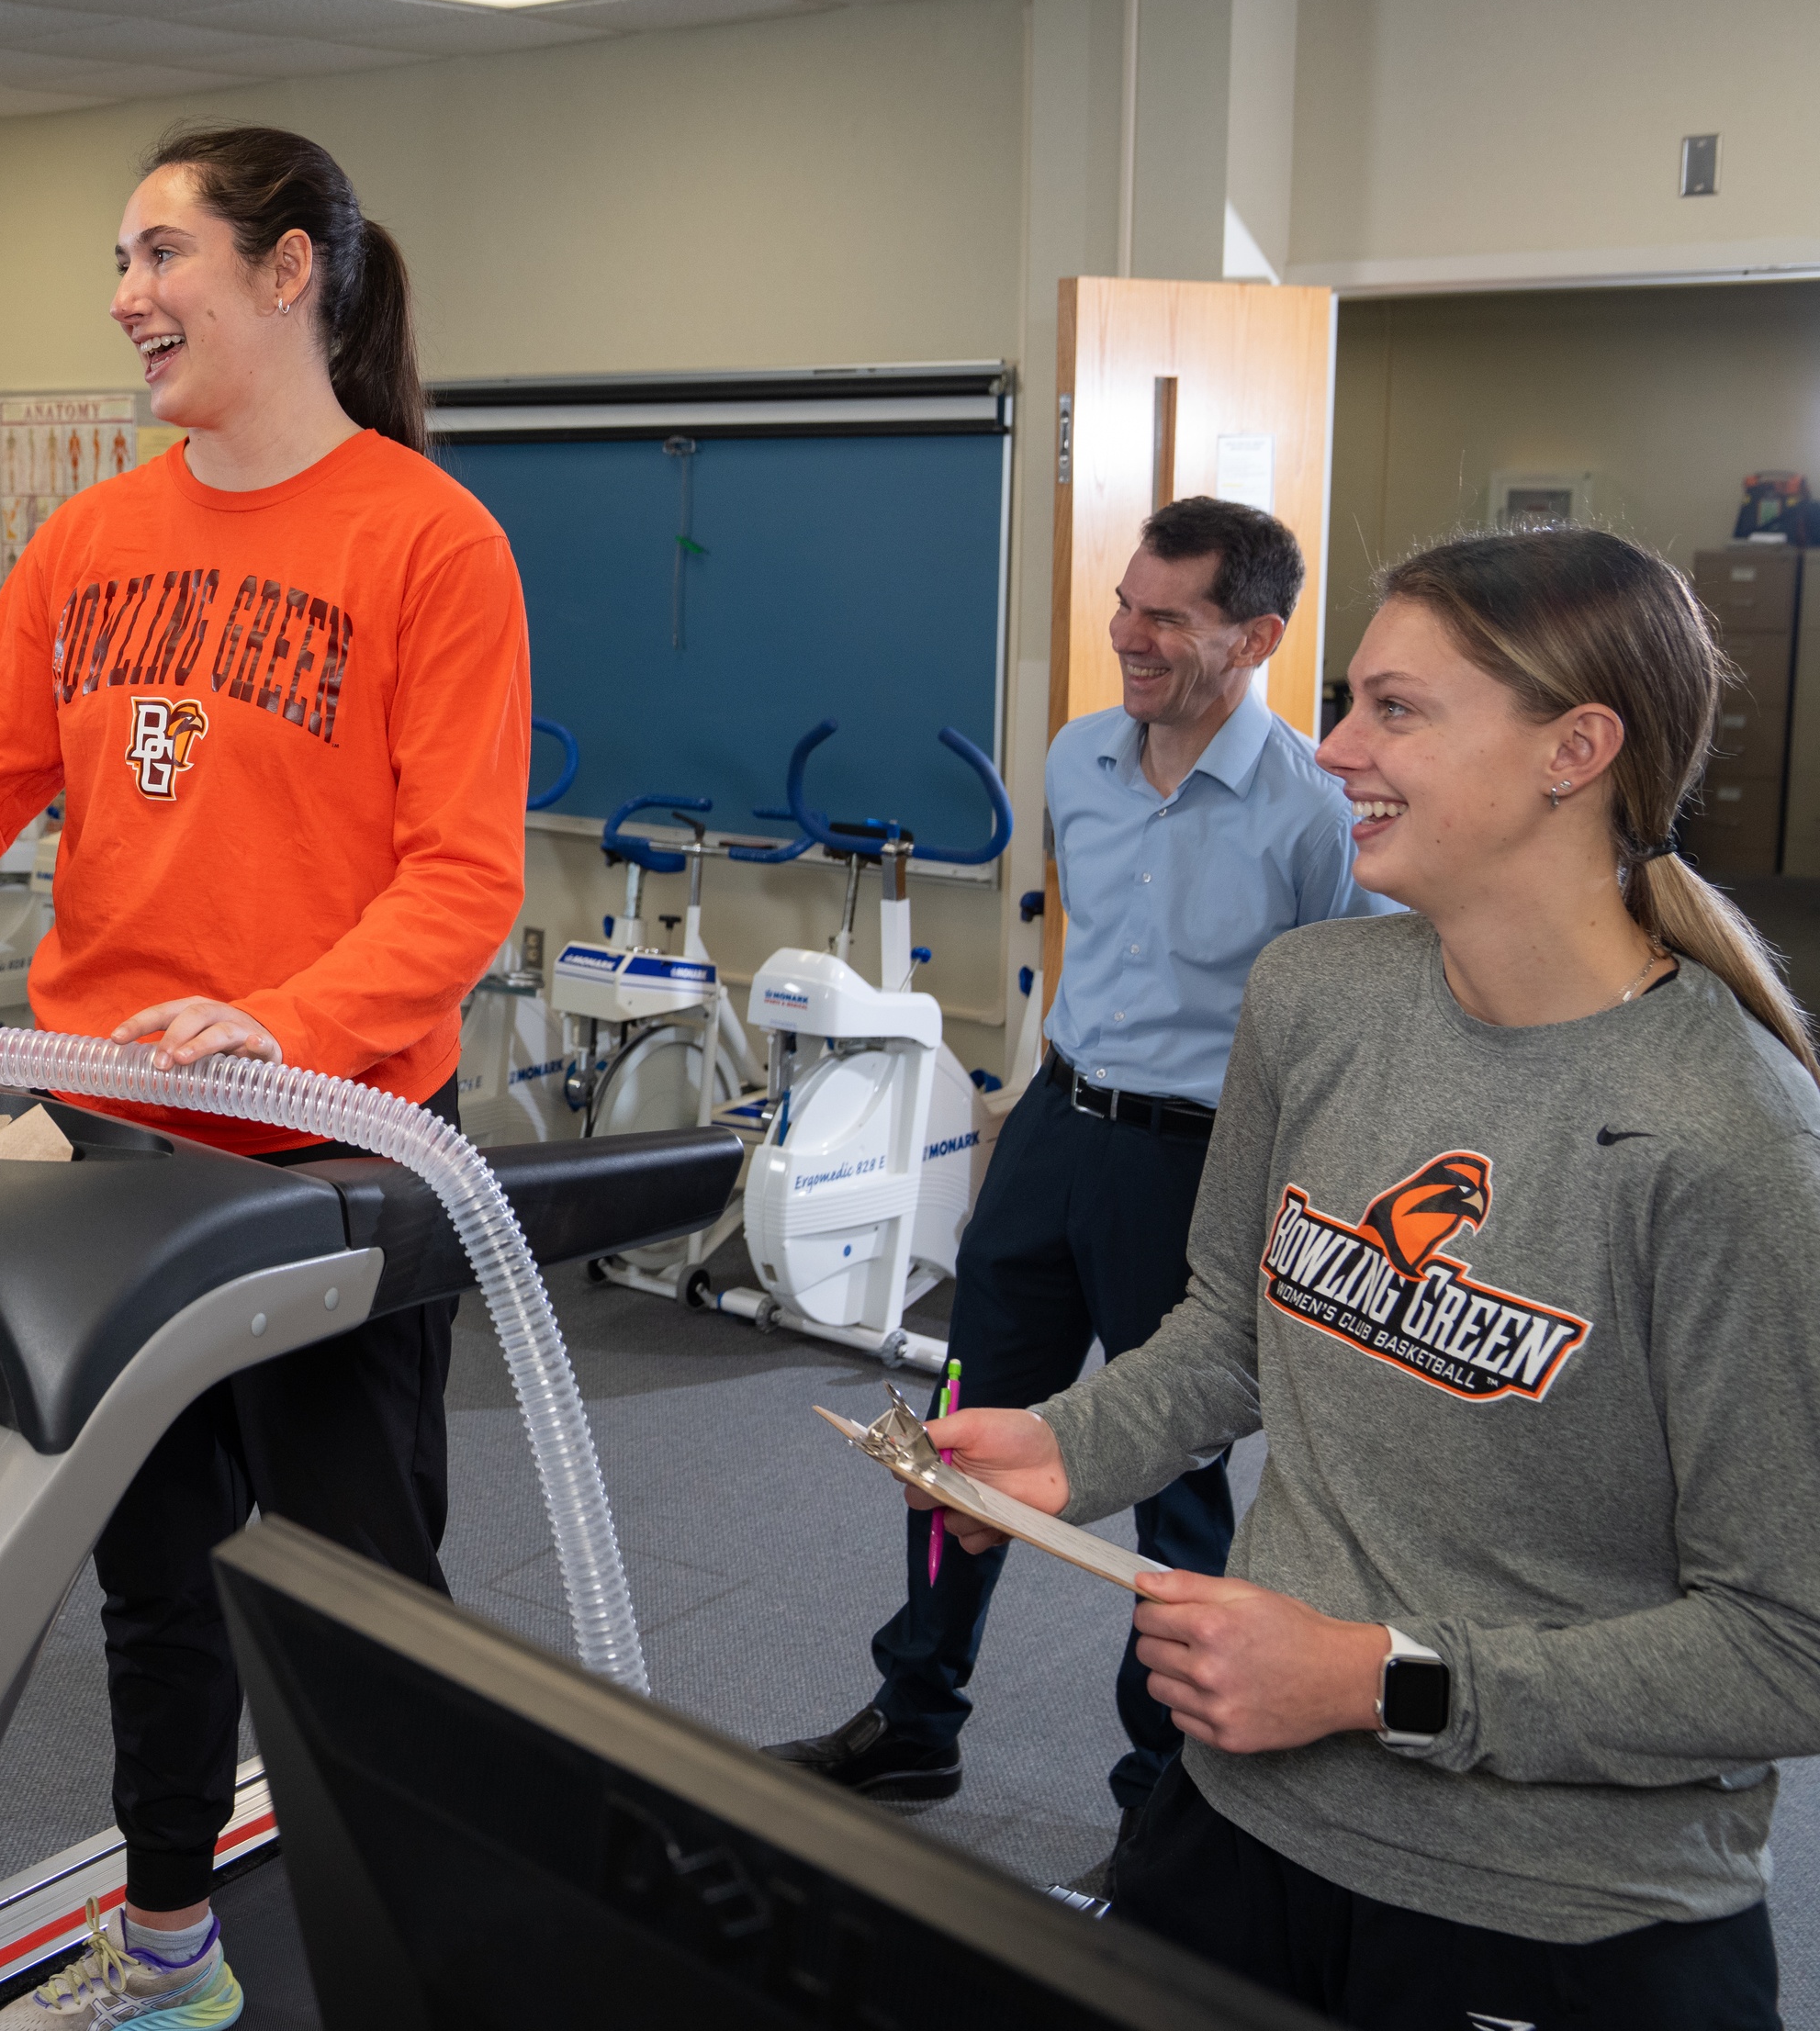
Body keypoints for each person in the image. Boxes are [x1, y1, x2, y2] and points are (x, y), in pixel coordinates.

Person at [920, 526, 1820, 2028]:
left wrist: (1378, 1681)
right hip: (1241, 1824)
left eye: (1397, 710)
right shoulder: (1319, 999)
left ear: (1574, 750)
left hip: (1553, 1915)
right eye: (1346, 701)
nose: (1333, 750)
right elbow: (1231, 1330)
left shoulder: (1726, 1139)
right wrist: (1070, 1446)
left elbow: (1789, 1646)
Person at [0, 126, 528, 2027]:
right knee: (156, 1583)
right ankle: (169, 1953)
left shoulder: (426, 538)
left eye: (160, 253)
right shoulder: (94, 539)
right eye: (122, 260)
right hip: (121, 1150)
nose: (128, 294)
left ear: (291, 268)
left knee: (353, 1606)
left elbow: (463, 874)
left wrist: (289, 1019)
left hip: (332, 1153)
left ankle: (417, 1964)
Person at [769, 497, 1387, 1864]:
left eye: (1169, 616)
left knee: (1176, 1483)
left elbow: (1355, 1021)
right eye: (1126, 603)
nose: (1128, 635)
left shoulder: (1315, 814)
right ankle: (912, 1718)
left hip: (1198, 1166)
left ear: (1259, 636)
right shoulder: (1079, 758)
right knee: (956, 1437)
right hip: (1053, 1131)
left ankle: (1160, 1799)